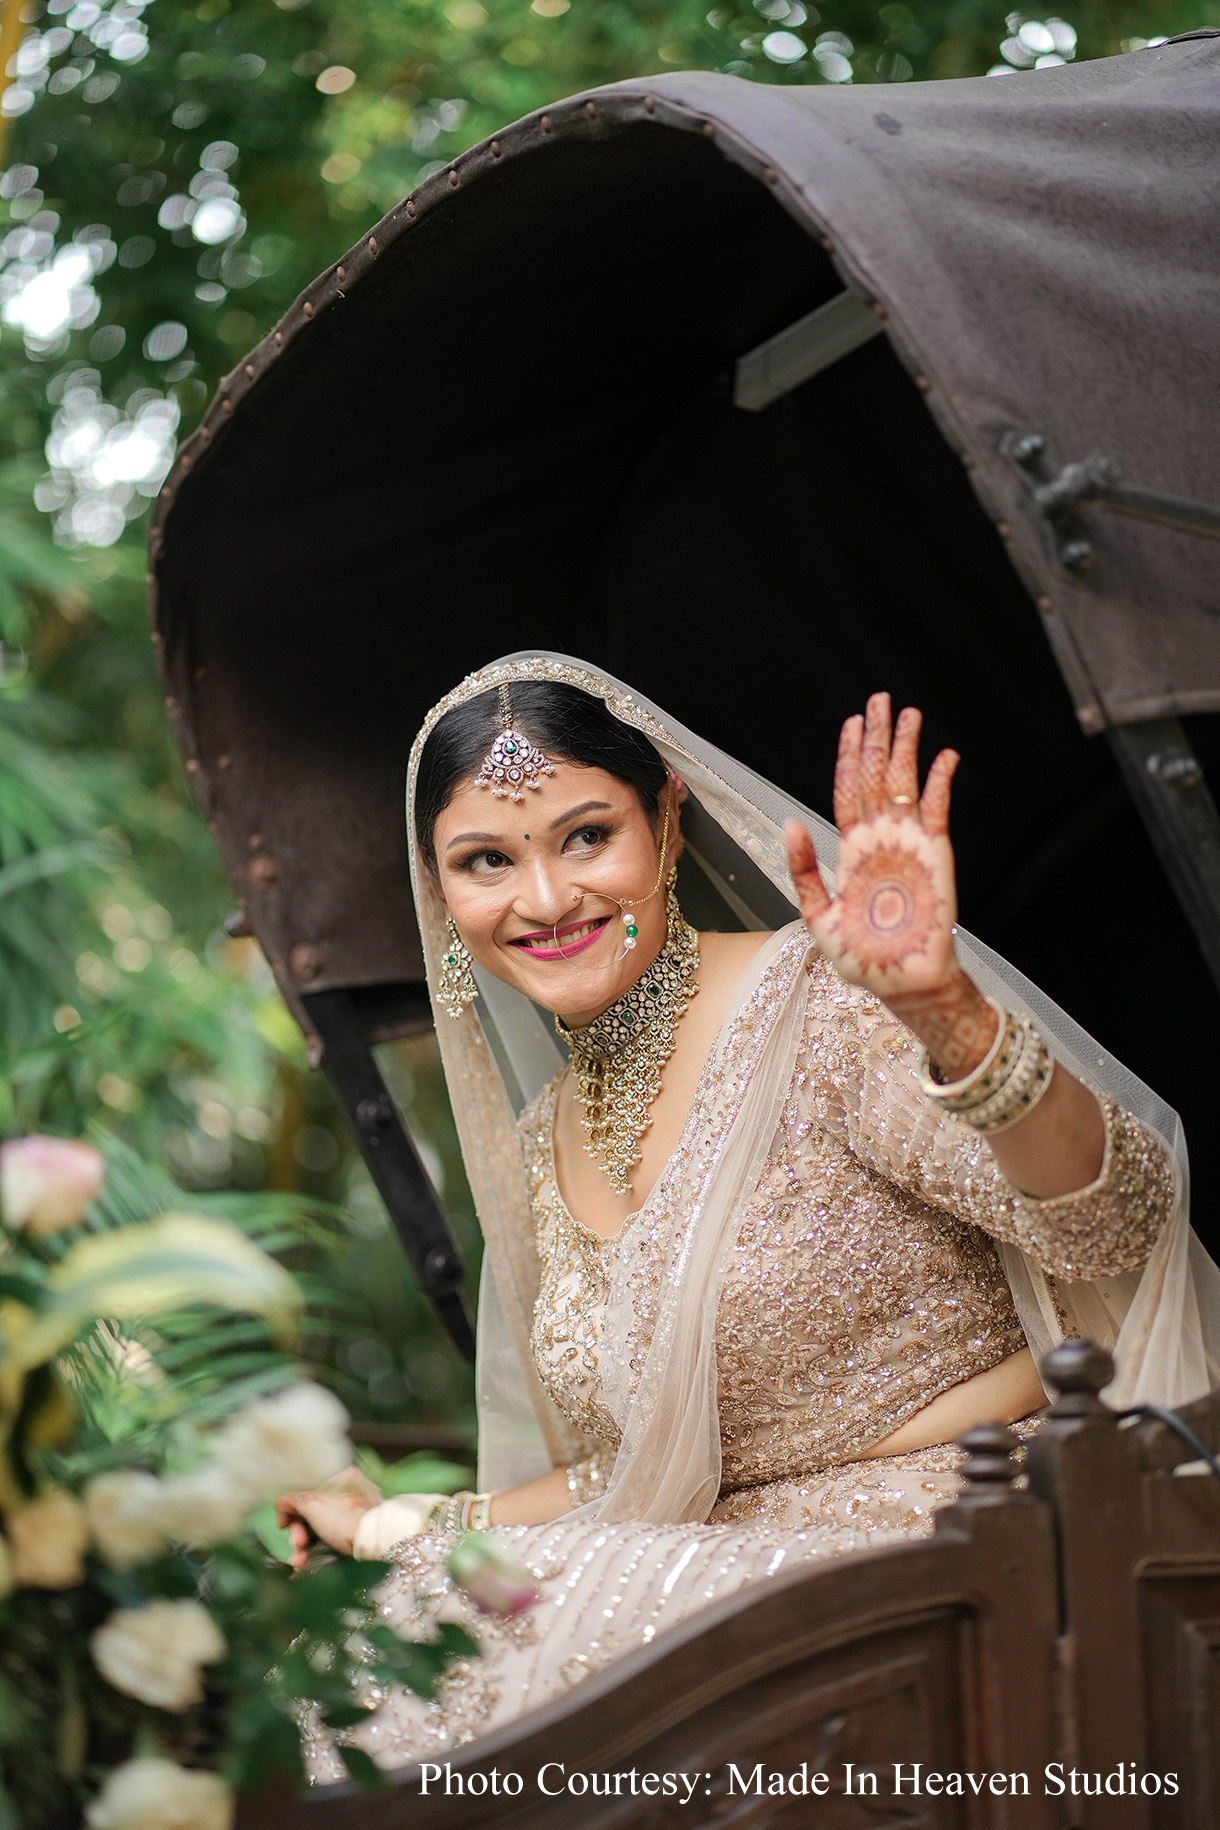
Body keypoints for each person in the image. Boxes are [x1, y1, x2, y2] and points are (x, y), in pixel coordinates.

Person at [280, 653, 1219, 1779]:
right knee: (366, 1650)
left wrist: (949, 1020)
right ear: (441, 892)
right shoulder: (542, 1144)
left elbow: (1113, 1227)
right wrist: (392, 1525)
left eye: (586, 836)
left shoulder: (818, 1010)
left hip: (958, 1555)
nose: (541, 900)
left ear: (666, 822)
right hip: (697, 1575)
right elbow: (632, 1471)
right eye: (486, 861)